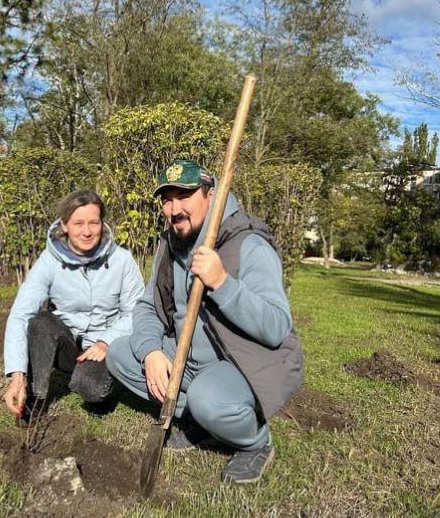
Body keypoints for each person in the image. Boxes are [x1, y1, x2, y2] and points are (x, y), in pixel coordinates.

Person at [107, 159, 304, 484]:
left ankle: (255, 442)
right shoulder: (170, 245)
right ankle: (200, 423)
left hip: (242, 361)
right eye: (167, 200)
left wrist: (223, 283)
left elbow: (276, 326)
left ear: (211, 196)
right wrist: (151, 352)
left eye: (184, 196)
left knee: (207, 399)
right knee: (119, 355)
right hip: (188, 358)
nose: (174, 209)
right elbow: (146, 308)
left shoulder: (247, 244)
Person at [3, 190, 144, 417]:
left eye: (93, 223)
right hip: (67, 343)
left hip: (102, 346)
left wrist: (106, 342)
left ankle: (101, 385)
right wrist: (17, 375)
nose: (87, 231)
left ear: (102, 224)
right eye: (78, 223)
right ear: (65, 225)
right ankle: (36, 395)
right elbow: (21, 314)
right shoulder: (49, 262)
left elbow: (136, 312)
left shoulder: (122, 261)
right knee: (40, 322)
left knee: (91, 388)